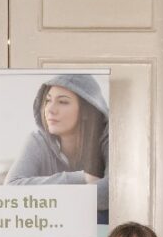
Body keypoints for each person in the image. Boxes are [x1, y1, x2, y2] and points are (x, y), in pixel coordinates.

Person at [6, 74, 109, 223]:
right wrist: (80, 178)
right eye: (48, 100)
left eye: (63, 102)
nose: (50, 109)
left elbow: (112, 192)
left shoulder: (108, 137)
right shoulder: (38, 140)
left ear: (86, 110)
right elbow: (11, 190)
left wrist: (49, 199)